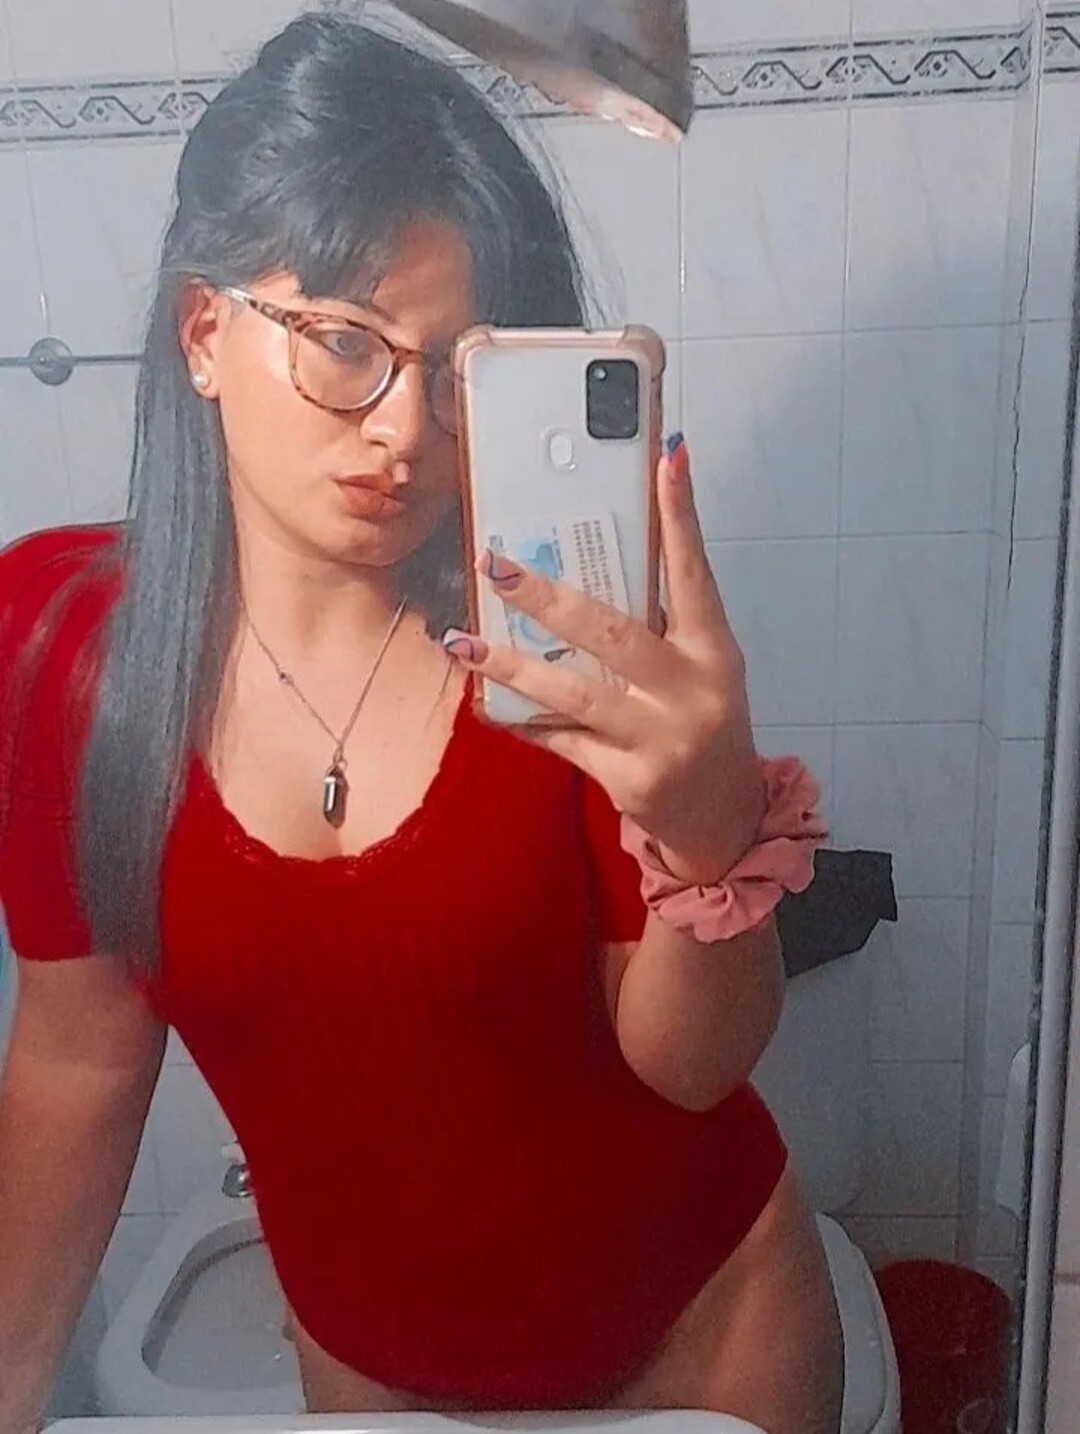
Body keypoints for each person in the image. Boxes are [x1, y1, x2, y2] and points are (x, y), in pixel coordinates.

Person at [0, 13, 842, 1433]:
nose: (402, 431)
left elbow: (692, 1064)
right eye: (345, 343)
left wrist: (708, 842)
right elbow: (78, 1056)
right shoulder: (59, 648)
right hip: (374, 1386)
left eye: (455, 375)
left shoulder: (563, 638)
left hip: (709, 1347)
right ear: (204, 332)